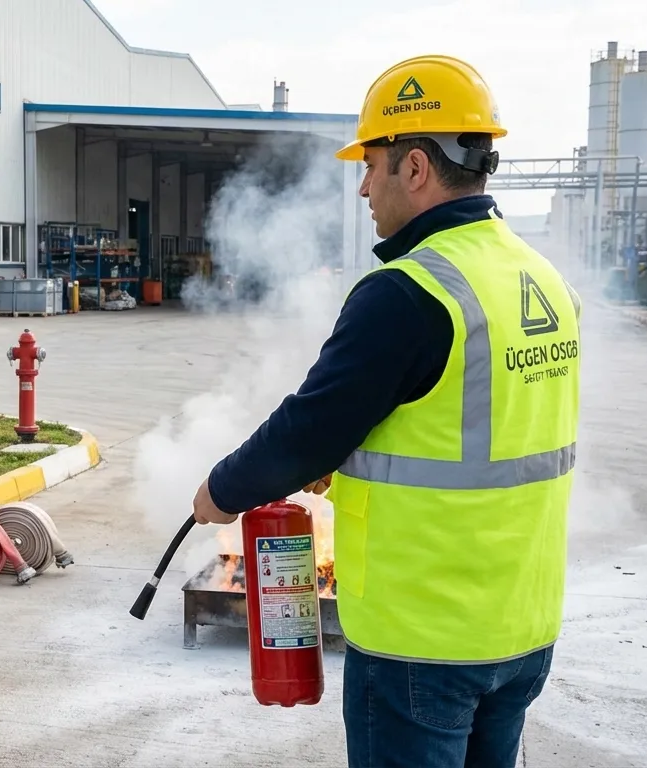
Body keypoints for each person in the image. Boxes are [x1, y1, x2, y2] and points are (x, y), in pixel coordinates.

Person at [190, 55, 581, 768]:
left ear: (417, 167)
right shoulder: (540, 277)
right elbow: (469, 418)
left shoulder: (407, 291)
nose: (364, 186)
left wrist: (220, 491)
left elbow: (308, 428)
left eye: (371, 165)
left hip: (422, 641)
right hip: (522, 628)